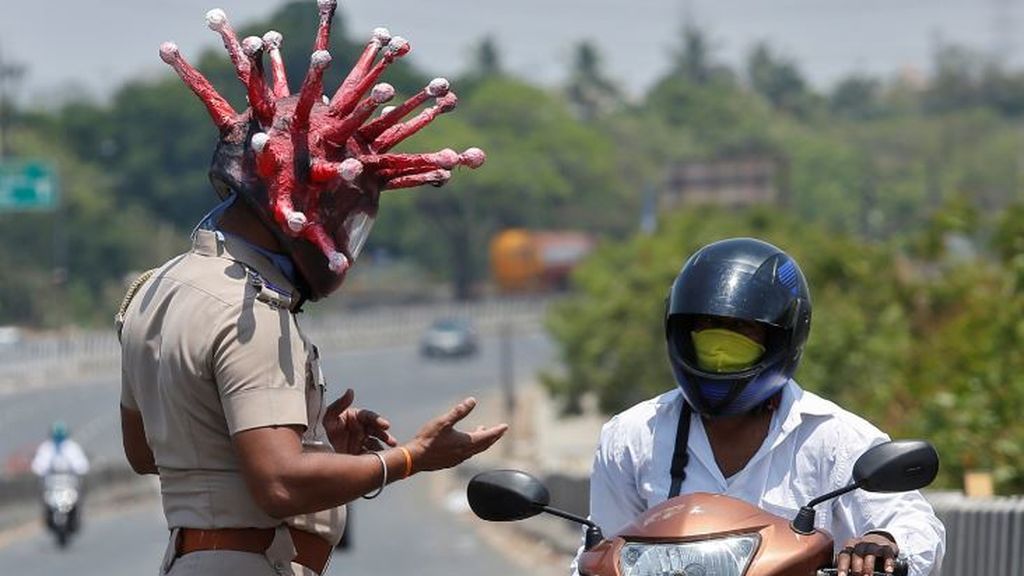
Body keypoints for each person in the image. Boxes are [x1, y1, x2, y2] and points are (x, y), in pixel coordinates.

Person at [118, 4, 501, 575]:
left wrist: (314, 441)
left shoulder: (152, 291)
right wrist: (410, 459)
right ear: (309, 205)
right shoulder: (251, 309)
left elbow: (147, 451)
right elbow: (278, 483)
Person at [575, 237, 945, 576]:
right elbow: (601, 551)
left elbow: (915, 524)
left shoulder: (836, 437)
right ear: (682, 332)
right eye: (708, 325)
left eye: (741, 329)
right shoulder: (632, 435)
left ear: (782, 336)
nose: (721, 343)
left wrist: (885, 542)